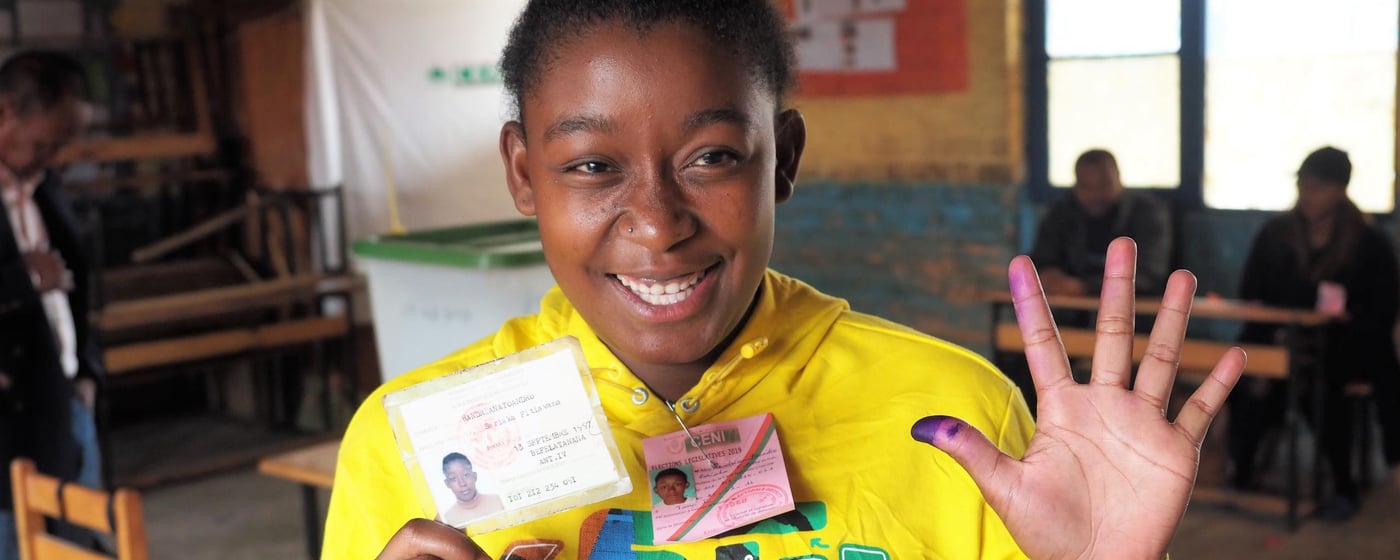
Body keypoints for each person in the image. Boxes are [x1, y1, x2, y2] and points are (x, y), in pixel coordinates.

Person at [326, 2, 1245, 558]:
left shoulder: (957, 421)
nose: (657, 223)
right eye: (593, 167)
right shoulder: (408, 449)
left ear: (784, 159)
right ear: (524, 174)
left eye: (712, 156)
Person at [1228, 146, 1400, 522]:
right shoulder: (1276, 234)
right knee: (1247, 375)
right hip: (1280, 338)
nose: (1308, 194)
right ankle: (1241, 471)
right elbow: (1252, 292)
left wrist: (1322, 315)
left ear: (1340, 190)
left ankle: (1343, 484)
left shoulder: (1368, 243)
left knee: (1322, 384)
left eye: (1318, 187)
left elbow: (1379, 311)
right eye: (1303, 185)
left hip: (1343, 347)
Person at [0, 51, 104, 558]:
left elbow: (80, 287)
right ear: (4, 112)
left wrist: (86, 371)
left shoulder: (45, 187)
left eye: (62, 146)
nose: (53, 157)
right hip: (7, 421)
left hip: (64, 399)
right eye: (44, 143)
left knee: (77, 543)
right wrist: (18, 277)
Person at [1030, 149, 1172, 297]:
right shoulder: (1061, 213)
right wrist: (1049, 277)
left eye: (1104, 184)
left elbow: (1151, 276)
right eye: (1086, 186)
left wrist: (1085, 287)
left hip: (1137, 307)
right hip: (1070, 307)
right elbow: (1041, 261)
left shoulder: (1148, 213)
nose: (1095, 194)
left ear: (1119, 179)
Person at [438, 453, 505, 526]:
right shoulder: (448, 520)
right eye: (453, 478)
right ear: (447, 483)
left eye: (466, 474)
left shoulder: (498, 501)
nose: (462, 483)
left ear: (474, 476)